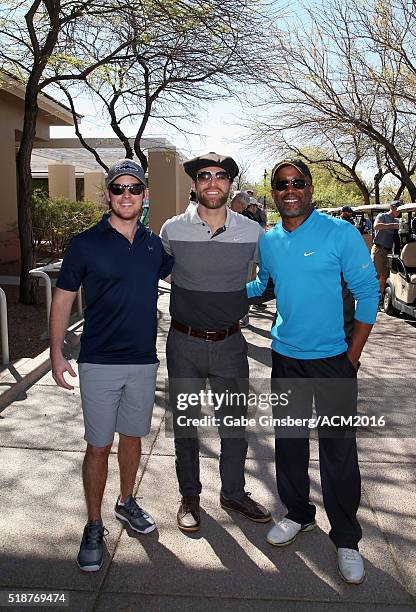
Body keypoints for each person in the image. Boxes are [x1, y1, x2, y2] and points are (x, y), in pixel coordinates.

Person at [247, 158, 379, 585]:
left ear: (310, 189)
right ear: (274, 192)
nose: (290, 190)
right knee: (289, 444)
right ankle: (298, 515)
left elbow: (367, 293)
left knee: (338, 452)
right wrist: (210, 284)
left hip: (334, 361)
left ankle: (346, 539)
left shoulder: (339, 233)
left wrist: (352, 357)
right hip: (285, 358)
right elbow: (262, 284)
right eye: (281, 184)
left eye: (297, 183)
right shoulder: (268, 240)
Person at [50, 159, 173, 572]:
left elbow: (186, 278)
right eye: (118, 189)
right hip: (99, 362)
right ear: (107, 194)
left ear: (144, 195)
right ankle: (94, 523)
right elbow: (63, 299)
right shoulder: (85, 243)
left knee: (133, 439)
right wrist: (55, 352)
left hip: (142, 362)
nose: (126, 195)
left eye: (134, 189)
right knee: (99, 445)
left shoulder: (156, 245)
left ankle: (126, 502)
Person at [160, 152, 271, 532]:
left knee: (235, 427)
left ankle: (234, 493)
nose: (212, 182)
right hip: (183, 344)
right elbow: (162, 268)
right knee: (186, 426)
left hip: (230, 345)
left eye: (220, 176)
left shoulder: (253, 232)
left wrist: (244, 296)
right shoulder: (171, 229)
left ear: (230, 184)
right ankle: (190, 496)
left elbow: (272, 274)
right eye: (204, 176)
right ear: (194, 184)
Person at [371, 200, 401, 296]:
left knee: (384, 276)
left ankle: (380, 298)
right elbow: (376, 226)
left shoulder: (397, 221)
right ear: (392, 207)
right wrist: (392, 225)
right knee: (376, 275)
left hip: (388, 251)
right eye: (397, 209)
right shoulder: (382, 216)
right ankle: (371, 297)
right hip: (379, 249)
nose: (398, 212)